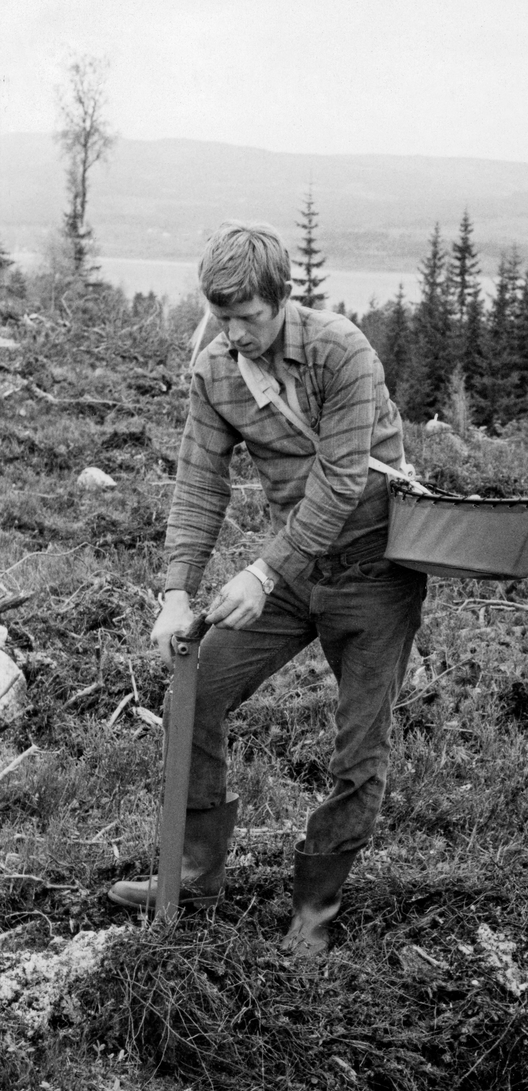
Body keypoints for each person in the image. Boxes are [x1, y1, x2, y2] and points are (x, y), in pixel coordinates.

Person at [108, 221, 426, 957]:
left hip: (376, 573)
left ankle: (315, 906)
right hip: (292, 571)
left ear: (282, 299)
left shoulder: (339, 350)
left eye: (247, 318)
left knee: (358, 748)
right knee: (196, 694)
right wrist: (176, 591)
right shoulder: (214, 367)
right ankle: (194, 874)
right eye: (220, 318)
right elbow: (198, 483)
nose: (234, 334)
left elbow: (345, 479)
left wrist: (261, 570)